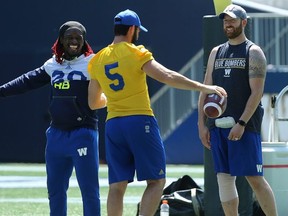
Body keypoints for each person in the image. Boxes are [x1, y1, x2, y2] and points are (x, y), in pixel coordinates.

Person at [87, 9, 226, 216]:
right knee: (156, 181)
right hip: (139, 121)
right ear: (133, 29)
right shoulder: (136, 53)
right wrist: (204, 88)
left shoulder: (97, 59)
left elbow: (93, 103)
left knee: (117, 185)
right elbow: (167, 76)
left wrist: (116, 98)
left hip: (113, 124)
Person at [0, 21, 106, 216]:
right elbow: (27, 80)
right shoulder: (52, 64)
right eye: (69, 37)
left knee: (89, 191)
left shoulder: (93, 62)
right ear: (61, 40)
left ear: (84, 41)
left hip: (83, 134)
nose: (74, 41)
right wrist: (2, 92)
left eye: (78, 38)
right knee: (55, 191)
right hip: (56, 135)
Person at [198, 4, 278, 216]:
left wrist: (242, 123)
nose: (228, 23)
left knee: (254, 178)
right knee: (223, 179)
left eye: (232, 20)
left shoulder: (254, 52)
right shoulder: (216, 52)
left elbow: (256, 93)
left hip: (243, 126)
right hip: (217, 126)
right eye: (225, 20)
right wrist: (202, 125)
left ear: (244, 22)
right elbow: (205, 90)